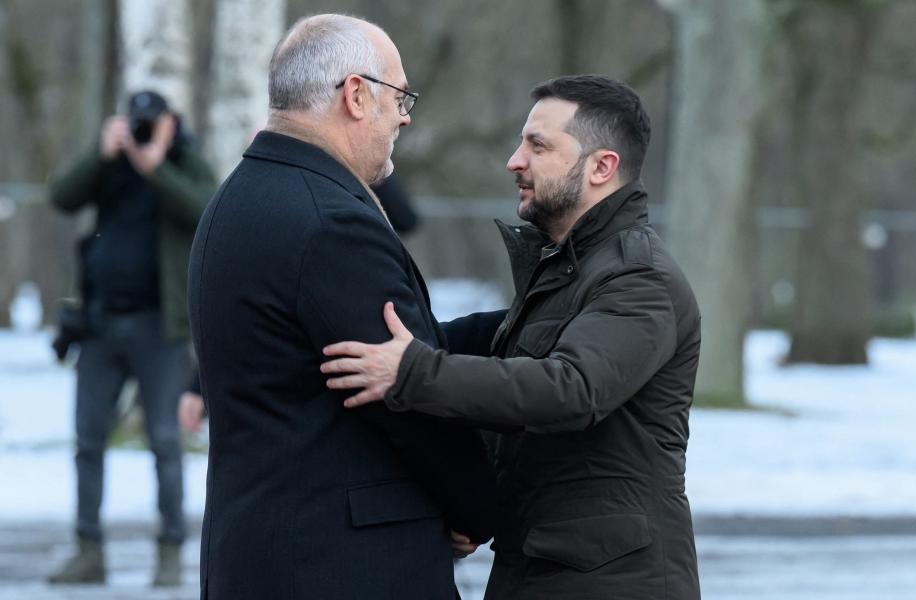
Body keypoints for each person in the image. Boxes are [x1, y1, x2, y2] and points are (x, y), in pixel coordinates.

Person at [322, 75, 703, 599]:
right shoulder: (571, 271)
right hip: (542, 568)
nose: (514, 161)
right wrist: (476, 504)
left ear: (601, 167)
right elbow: (528, 418)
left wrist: (413, 372)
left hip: (611, 583)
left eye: (538, 145)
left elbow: (569, 390)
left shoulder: (640, 279)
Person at [187, 14, 497, 600]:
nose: (405, 114)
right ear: (356, 95)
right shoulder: (329, 221)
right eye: (399, 96)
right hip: (341, 565)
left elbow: (385, 349)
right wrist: (478, 507)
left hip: (264, 555)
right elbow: (404, 396)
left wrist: (515, 328)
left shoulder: (240, 198)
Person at [47, 90, 217, 587]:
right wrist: (100, 155)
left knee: (165, 440)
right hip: (99, 325)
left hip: (158, 327)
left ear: (173, 124)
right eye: (134, 120)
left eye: (151, 121)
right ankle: (88, 551)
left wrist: (156, 165)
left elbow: (205, 209)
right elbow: (62, 196)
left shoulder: (185, 164)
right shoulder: (110, 164)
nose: (141, 129)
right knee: (87, 440)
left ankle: (169, 552)